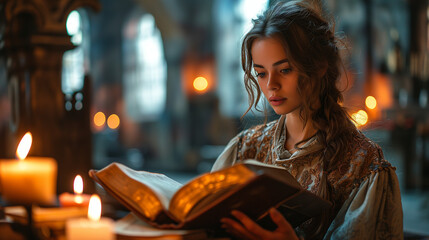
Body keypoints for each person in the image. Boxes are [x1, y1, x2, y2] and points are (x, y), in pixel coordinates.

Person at [211, 1, 403, 239]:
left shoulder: (362, 165)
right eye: (261, 73)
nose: (270, 85)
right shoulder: (245, 149)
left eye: (285, 70)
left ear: (320, 66)